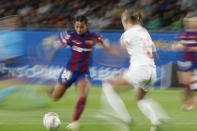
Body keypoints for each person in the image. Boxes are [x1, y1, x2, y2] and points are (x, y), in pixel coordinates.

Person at [44, 15, 118, 131]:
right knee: (55, 97)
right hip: (69, 72)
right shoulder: (71, 36)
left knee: (83, 96)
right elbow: (58, 45)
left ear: (87, 26)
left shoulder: (94, 37)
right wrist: (50, 55)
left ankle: (74, 122)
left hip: (83, 73)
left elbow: (106, 46)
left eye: (81, 27)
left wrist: (116, 54)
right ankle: (51, 90)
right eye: (77, 27)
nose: (79, 29)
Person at [101, 9, 169, 131]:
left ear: (126, 21)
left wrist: (107, 49)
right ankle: (156, 122)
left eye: (122, 22)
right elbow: (155, 55)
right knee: (139, 98)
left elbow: (121, 51)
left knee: (108, 85)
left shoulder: (128, 33)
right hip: (151, 71)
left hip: (139, 70)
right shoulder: (145, 32)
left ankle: (125, 119)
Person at [176, 16, 197, 110]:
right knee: (183, 85)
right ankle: (186, 103)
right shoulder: (183, 33)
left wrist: (193, 48)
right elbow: (177, 44)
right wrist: (177, 45)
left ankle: (190, 103)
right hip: (183, 61)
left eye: (193, 21)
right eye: (190, 21)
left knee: (188, 83)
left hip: (193, 61)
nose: (191, 23)